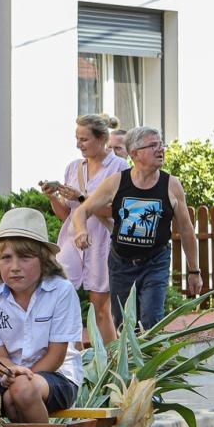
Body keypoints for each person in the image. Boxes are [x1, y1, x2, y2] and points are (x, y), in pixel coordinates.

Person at [83, 125, 202, 332]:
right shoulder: (118, 182)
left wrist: (194, 270)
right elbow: (82, 210)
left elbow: (186, 230)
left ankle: (152, 364)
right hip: (121, 264)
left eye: (161, 144)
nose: (161, 149)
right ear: (135, 153)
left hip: (155, 262)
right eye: (153, 145)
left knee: (151, 321)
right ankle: (129, 364)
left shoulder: (171, 185)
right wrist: (79, 230)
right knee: (123, 324)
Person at [0, 207, 83, 423]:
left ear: (43, 261)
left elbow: (56, 356)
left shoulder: (61, 291)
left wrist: (21, 378)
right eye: (6, 258)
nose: (15, 267)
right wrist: (10, 372)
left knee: (21, 391)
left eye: (25, 258)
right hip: (7, 376)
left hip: (58, 377)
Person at [53, 114, 128, 345]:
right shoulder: (73, 168)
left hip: (102, 240)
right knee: (61, 296)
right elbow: (67, 214)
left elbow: (118, 212)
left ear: (102, 138)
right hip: (72, 239)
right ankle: (73, 360)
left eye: (84, 139)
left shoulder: (119, 167)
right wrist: (53, 196)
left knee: (101, 307)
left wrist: (83, 198)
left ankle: (112, 364)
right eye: (77, 138)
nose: (79, 145)